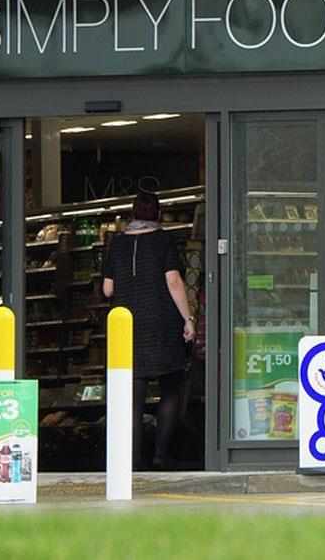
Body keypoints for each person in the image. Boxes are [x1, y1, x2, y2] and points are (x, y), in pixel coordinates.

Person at [101, 190, 194, 471]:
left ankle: (132, 460)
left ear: (132, 213)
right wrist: (188, 318)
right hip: (162, 324)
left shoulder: (116, 244)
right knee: (170, 388)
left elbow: (108, 289)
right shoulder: (164, 240)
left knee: (132, 398)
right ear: (158, 213)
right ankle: (161, 454)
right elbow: (174, 280)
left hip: (127, 327)